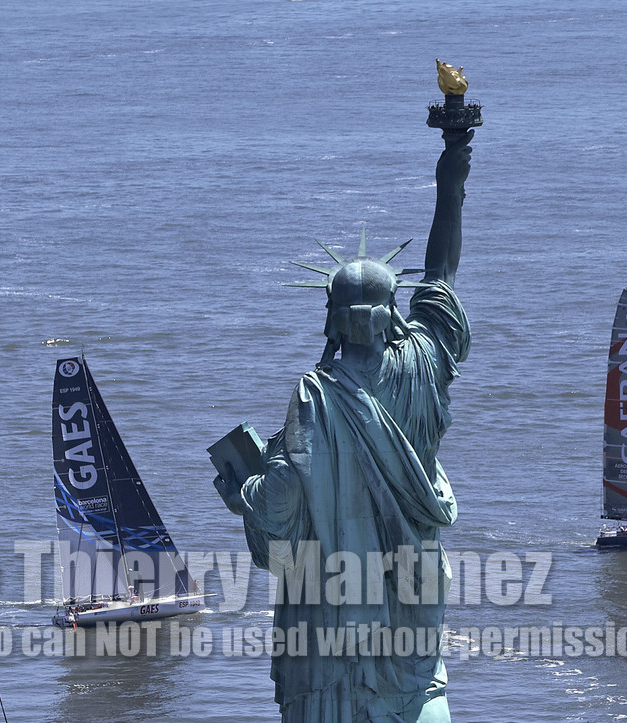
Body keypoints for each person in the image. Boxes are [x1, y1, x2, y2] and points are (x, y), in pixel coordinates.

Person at [214, 128, 473, 722]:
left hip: (335, 607)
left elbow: (278, 504)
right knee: (419, 694)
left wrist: (240, 496)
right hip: (415, 584)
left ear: (331, 321)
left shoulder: (314, 396)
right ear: (390, 317)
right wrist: (450, 182)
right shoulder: (423, 367)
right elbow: (441, 276)